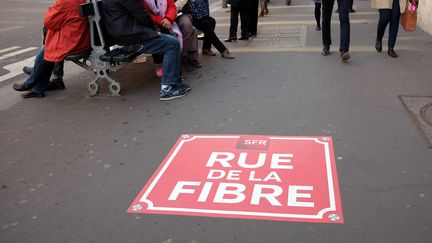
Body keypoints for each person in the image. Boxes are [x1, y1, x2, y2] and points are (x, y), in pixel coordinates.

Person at [103, 0, 191, 101]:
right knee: (172, 43)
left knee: (169, 40)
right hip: (130, 38)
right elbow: (142, 17)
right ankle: (168, 88)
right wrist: (155, 30)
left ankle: (173, 81)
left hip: (125, 36)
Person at [12, 0, 90, 98]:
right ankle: (38, 86)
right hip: (81, 37)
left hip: (72, 41)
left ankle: (30, 82)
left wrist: (52, 8)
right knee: (49, 50)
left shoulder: (64, 1)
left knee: (47, 53)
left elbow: (49, 21)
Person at [175, 0, 202, 68]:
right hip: (164, 13)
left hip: (181, 13)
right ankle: (183, 56)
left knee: (187, 26)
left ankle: (188, 56)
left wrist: (175, 7)